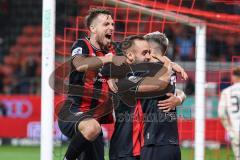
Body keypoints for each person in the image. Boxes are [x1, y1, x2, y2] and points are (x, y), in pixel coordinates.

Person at [57, 8, 125, 160]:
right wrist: (107, 60)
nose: (112, 28)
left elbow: (139, 51)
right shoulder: (82, 45)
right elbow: (79, 64)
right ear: (93, 29)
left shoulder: (115, 49)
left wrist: (166, 62)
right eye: (106, 24)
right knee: (92, 127)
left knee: (94, 129)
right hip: (73, 112)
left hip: (94, 125)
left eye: (113, 24)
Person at [106, 34, 187, 160]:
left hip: (143, 146)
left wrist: (179, 98)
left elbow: (174, 89)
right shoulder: (122, 77)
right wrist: (167, 62)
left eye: (149, 52)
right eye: (145, 53)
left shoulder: (143, 72)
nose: (148, 56)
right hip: (125, 149)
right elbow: (159, 84)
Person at [218, 67, 240, 160]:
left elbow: (221, 114)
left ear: (234, 77)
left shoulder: (226, 92)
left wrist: (229, 129)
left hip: (235, 130)